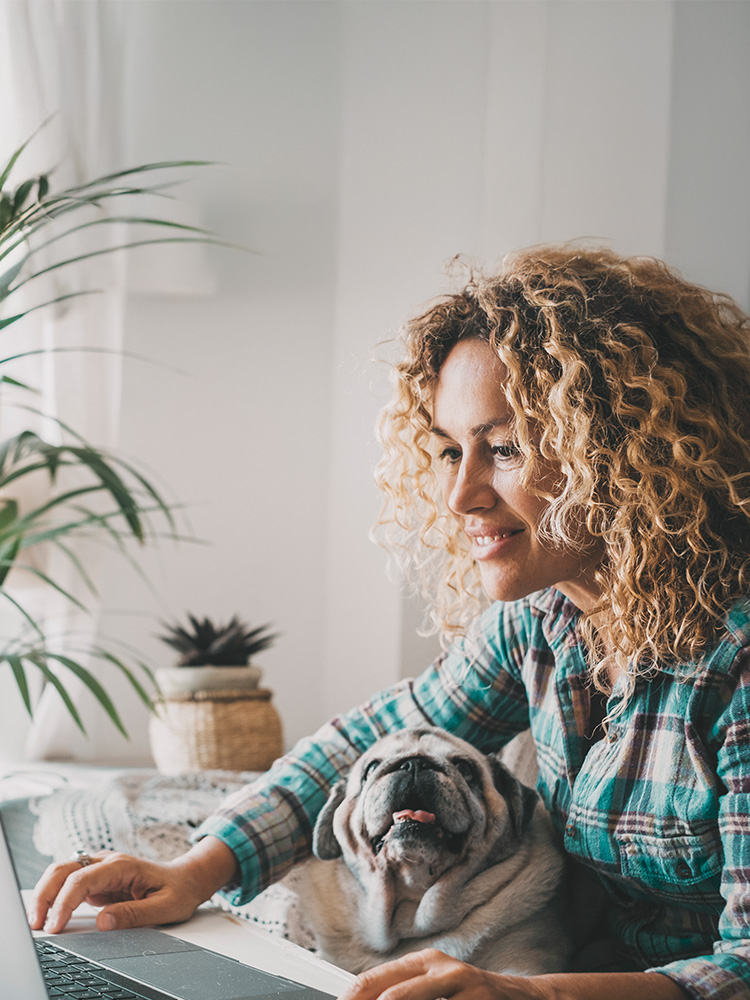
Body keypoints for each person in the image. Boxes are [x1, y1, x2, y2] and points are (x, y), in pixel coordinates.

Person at [28, 245, 750, 1000]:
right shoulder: (543, 624)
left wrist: (532, 995)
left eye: (502, 449)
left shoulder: (736, 663)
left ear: (624, 450)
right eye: (447, 451)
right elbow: (359, 746)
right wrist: (192, 871)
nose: (460, 495)